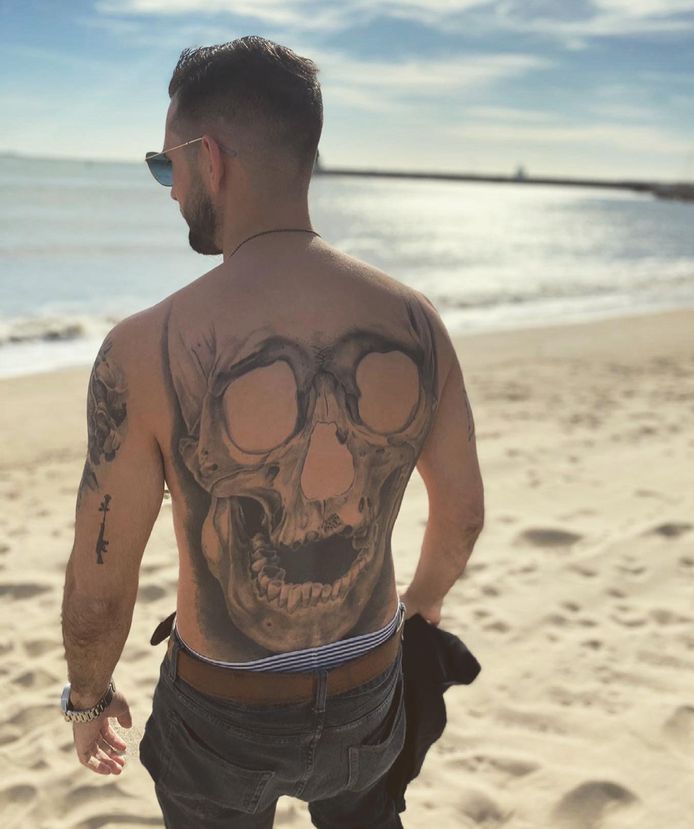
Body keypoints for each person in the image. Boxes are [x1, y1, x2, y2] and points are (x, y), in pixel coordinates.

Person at [59, 35, 484, 828]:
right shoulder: (415, 320)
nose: (171, 188)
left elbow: (98, 577)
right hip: (369, 688)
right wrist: (418, 609)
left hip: (221, 714)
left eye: (166, 166)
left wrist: (86, 696)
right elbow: (461, 510)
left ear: (208, 159)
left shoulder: (145, 349)